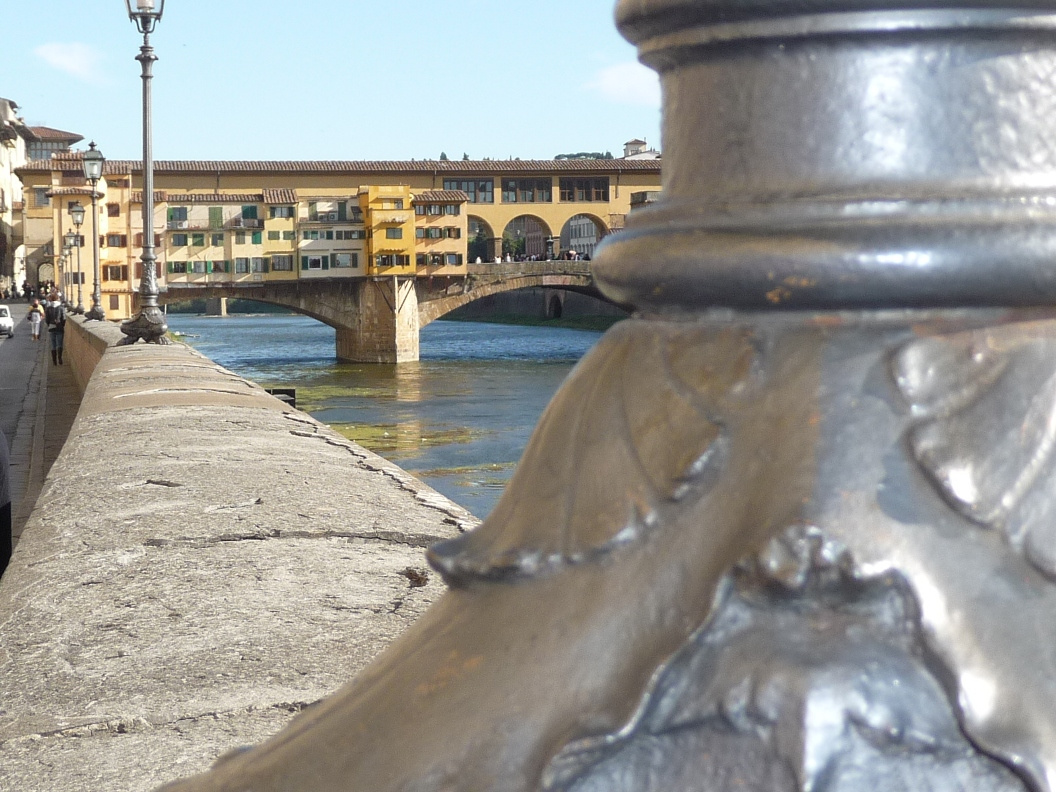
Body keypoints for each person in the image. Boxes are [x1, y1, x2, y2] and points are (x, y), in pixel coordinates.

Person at [44, 291, 66, 365]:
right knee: (59, 344)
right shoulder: (61, 307)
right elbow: (64, 318)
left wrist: (49, 324)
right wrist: (61, 325)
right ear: (58, 298)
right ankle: (60, 358)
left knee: (53, 344)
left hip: (51, 327)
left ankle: (54, 361)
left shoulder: (48, 308)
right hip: (59, 328)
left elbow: (46, 319)